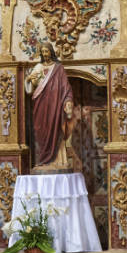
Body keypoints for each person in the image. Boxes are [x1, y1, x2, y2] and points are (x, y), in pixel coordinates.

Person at [24, 44, 79, 173]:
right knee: (40, 130)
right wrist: (28, 80)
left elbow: (66, 88)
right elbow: (30, 89)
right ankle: (43, 159)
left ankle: (55, 160)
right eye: (43, 51)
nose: (45, 54)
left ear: (51, 52)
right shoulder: (38, 67)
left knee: (54, 129)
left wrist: (68, 101)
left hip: (55, 106)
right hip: (40, 104)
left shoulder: (58, 68)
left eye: (47, 51)